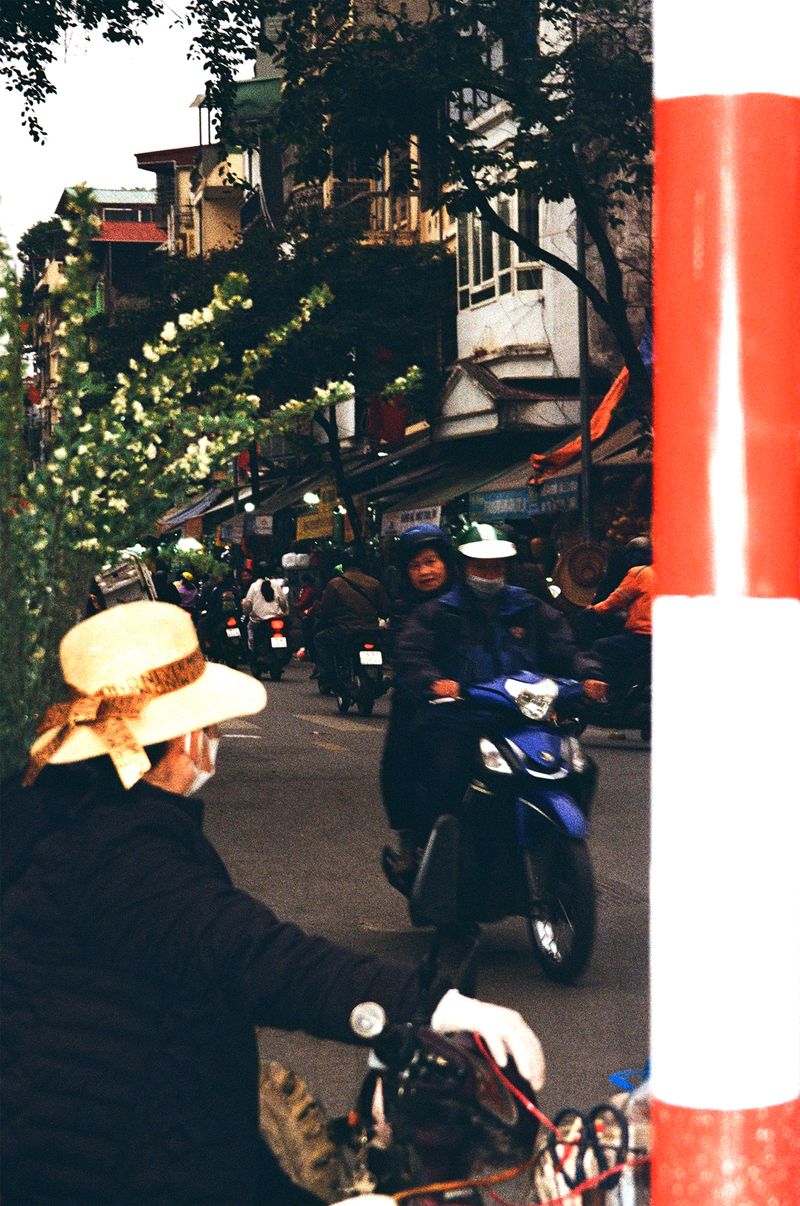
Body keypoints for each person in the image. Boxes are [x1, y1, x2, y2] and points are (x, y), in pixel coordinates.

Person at [1, 601, 546, 1205]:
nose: (212, 741)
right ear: (187, 737)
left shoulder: (51, 810)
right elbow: (257, 956)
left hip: (108, 1132)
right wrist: (427, 1007)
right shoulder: (119, 853)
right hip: (123, 1165)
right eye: (209, 727)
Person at [395, 523, 607, 853]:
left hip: (524, 720)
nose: (488, 573)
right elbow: (412, 654)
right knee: (447, 772)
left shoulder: (529, 607)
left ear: (507, 566)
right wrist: (434, 682)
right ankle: (432, 853)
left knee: (582, 769)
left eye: (496, 565)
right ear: (463, 565)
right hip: (462, 721)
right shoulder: (437, 612)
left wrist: (588, 675)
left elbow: (566, 648)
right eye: (480, 565)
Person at [380, 525, 457, 888]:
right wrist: (430, 682)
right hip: (418, 705)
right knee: (399, 765)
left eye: (431, 562)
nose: (425, 572)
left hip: (475, 702)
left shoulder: (470, 601)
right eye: (416, 566)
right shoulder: (403, 609)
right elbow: (406, 655)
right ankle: (409, 846)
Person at [313, 549, 392, 690]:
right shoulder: (374, 583)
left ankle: (328, 676)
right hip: (371, 631)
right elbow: (386, 610)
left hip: (345, 631)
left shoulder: (335, 583)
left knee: (320, 639)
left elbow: (326, 610)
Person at [587, 536, 653, 698]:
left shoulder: (638, 573)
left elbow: (615, 601)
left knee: (600, 647)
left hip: (644, 637)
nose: (633, 559)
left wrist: (593, 610)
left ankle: (613, 692)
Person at [242, 569, 289, 669]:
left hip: (259, 620)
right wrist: (284, 611)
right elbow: (283, 601)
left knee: (249, 627)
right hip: (276, 617)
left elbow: (247, 603)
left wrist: (246, 612)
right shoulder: (275, 584)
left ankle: (252, 648)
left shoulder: (254, 586)